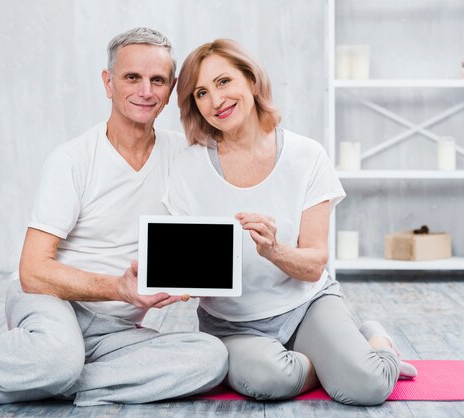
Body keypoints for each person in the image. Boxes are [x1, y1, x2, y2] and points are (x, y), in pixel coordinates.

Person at [0, 27, 228, 411]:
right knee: (58, 355)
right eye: (131, 77)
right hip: (51, 300)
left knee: (210, 357)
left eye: (157, 80)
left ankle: (24, 381)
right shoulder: (72, 160)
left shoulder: (182, 155)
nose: (145, 91)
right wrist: (117, 288)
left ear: (171, 89)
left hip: (116, 330)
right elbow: (32, 271)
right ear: (108, 83)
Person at [164, 38, 417, 406]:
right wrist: (175, 281)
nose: (215, 100)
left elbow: (315, 264)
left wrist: (274, 250)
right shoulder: (187, 167)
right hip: (232, 325)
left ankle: (375, 340)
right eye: (201, 92)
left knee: (367, 386)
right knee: (270, 381)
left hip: (306, 306)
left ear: (251, 80)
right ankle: (330, 362)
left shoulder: (306, 155)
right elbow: (189, 270)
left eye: (223, 82)